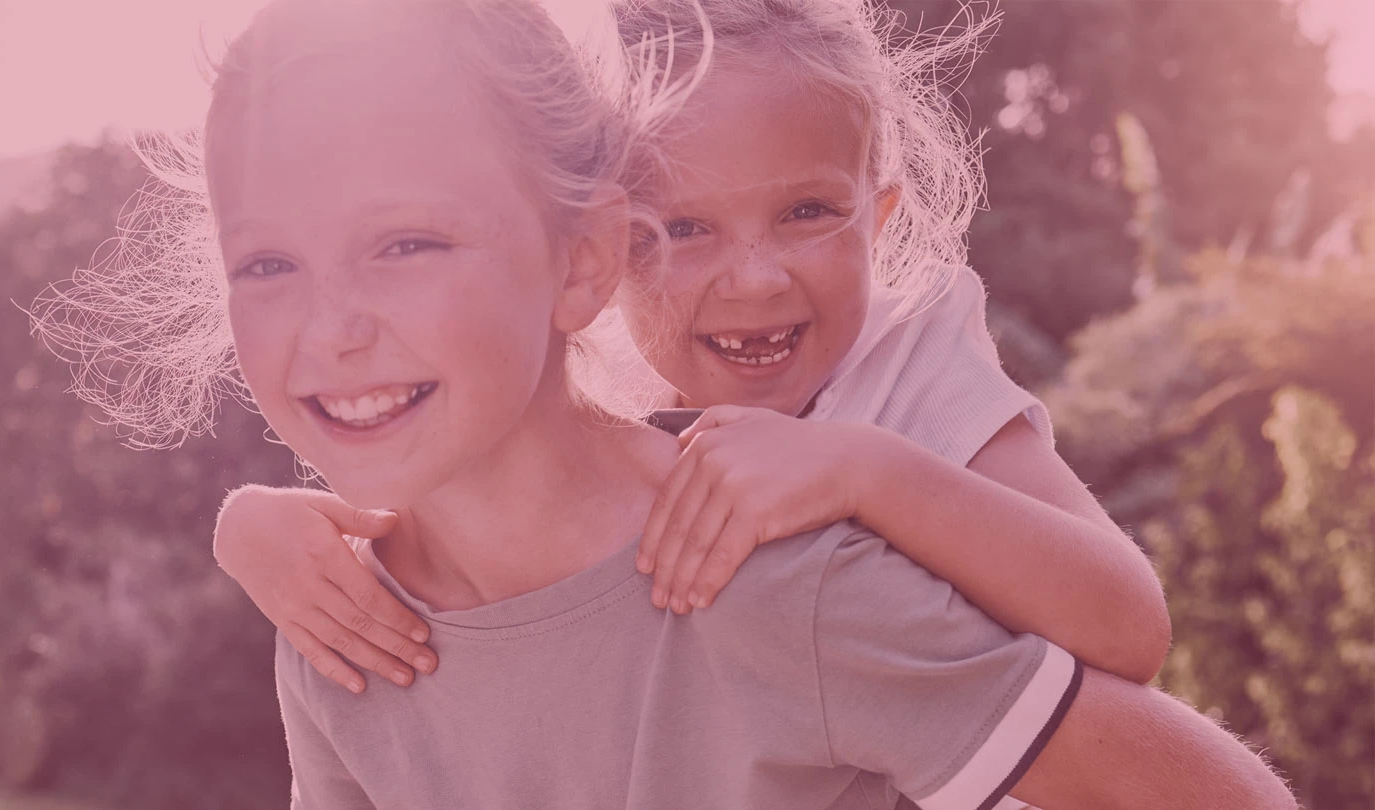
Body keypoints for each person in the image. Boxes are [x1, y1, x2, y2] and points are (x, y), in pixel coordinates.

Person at [35, 0, 1299, 806]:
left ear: (578, 260)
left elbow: (1140, 654)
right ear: (626, 263)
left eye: (405, 243)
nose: (331, 322)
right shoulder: (339, 625)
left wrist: (869, 473)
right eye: (267, 264)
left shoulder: (788, 558)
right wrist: (252, 525)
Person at [210, 0, 1170, 709]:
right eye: (686, 230)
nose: (754, 280)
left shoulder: (909, 370)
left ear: (877, 220)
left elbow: (1129, 628)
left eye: (808, 213)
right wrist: (255, 531)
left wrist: (865, 472)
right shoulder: (610, 392)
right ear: (605, 253)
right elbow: (441, 494)